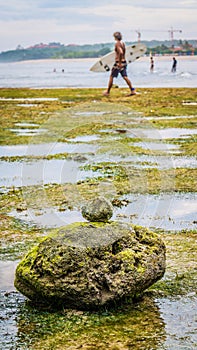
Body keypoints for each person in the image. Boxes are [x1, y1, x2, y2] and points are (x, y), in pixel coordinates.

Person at [103, 32, 136, 96]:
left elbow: (120, 52)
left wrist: (119, 63)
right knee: (125, 76)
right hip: (124, 62)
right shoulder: (122, 43)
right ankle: (132, 90)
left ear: (115, 37)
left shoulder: (117, 44)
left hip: (118, 63)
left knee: (111, 76)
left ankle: (107, 92)